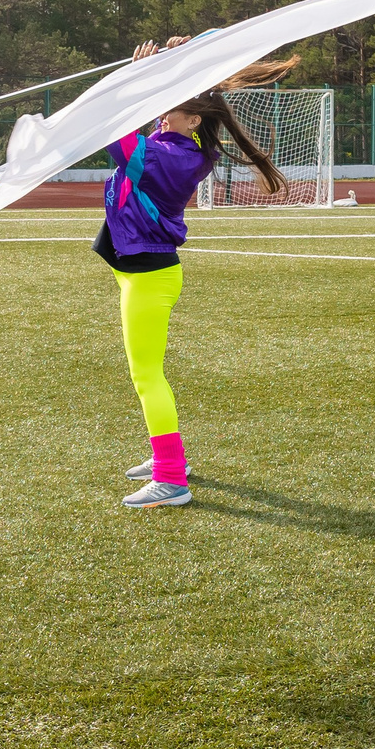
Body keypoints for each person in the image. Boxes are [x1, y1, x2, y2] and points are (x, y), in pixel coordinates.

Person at [97, 41, 297, 508]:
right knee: (146, 373)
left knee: (147, 376)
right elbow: (143, 129)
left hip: (149, 275)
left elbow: (115, 134)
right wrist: (169, 69)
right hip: (139, 269)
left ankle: (171, 479)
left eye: (173, 106)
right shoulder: (177, 145)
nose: (162, 112)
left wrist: (139, 78)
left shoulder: (169, 157)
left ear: (194, 120)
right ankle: (167, 457)